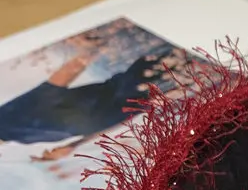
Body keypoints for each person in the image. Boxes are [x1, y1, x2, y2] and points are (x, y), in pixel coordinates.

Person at [0, 44, 191, 162]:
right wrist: (74, 145)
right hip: (156, 96)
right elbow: (101, 123)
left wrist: (91, 49)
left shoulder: (6, 120)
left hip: (141, 81)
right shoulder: (21, 138)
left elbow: (51, 87)